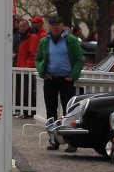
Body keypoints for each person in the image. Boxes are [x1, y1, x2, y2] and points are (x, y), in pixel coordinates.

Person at [36, 15, 84, 147]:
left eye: (57, 24)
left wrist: (73, 75)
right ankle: (54, 140)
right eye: (52, 25)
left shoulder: (71, 40)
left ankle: (71, 142)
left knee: (69, 111)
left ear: (62, 25)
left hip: (66, 80)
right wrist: (42, 72)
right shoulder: (44, 41)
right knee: (50, 111)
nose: (55, 27)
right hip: (50, 79)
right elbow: (38, 58)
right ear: (49, 26)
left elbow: (79, 59)